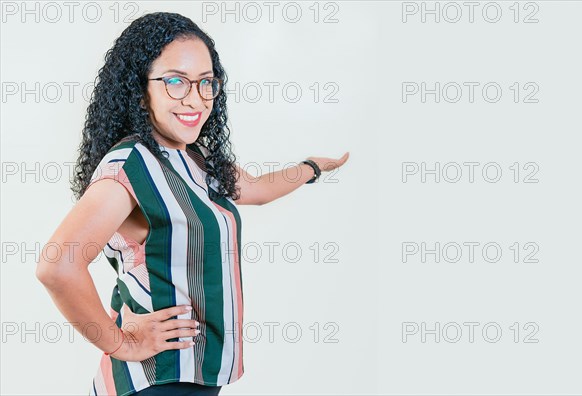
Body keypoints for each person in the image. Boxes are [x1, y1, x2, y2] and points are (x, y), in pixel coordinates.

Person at [35, 11, 349, 396]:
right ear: (139, 88)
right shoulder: (131, 165)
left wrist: (311, 168)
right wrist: (120, 342)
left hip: (194, 377)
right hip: (158, 380)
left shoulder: (194, 158)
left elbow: (256, 189)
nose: (196, 99)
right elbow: (58, 265)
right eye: (175, 82)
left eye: (206, 83)